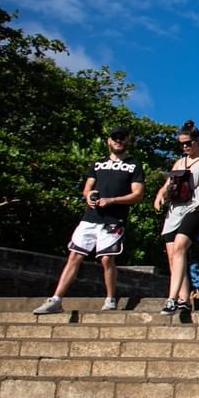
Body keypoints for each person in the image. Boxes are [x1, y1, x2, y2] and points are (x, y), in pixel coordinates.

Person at [33, 126, 146, 314]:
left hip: (113, 219)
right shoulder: (97, 164)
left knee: (106, 259)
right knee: (74, 256)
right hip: (90, 218)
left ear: (127, 141)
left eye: (122, 138)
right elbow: (87, 188)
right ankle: (56, 298)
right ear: (108, 141)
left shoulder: (134, 165)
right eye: (115, 138)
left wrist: (112, 200)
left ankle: (110, 299)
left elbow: (138, 195)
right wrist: (89, 195)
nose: (118, 141)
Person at [153, 120, 199, 315]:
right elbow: (167, 185)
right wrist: (160, 195)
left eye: (188, 143)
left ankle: (171, 299)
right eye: (181, 143)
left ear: (197, 140)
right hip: (175, 211)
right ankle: (184, 298)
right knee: (174, 257)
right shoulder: (179, 162)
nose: (185, 146)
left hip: (196, 208)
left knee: (181, 246)